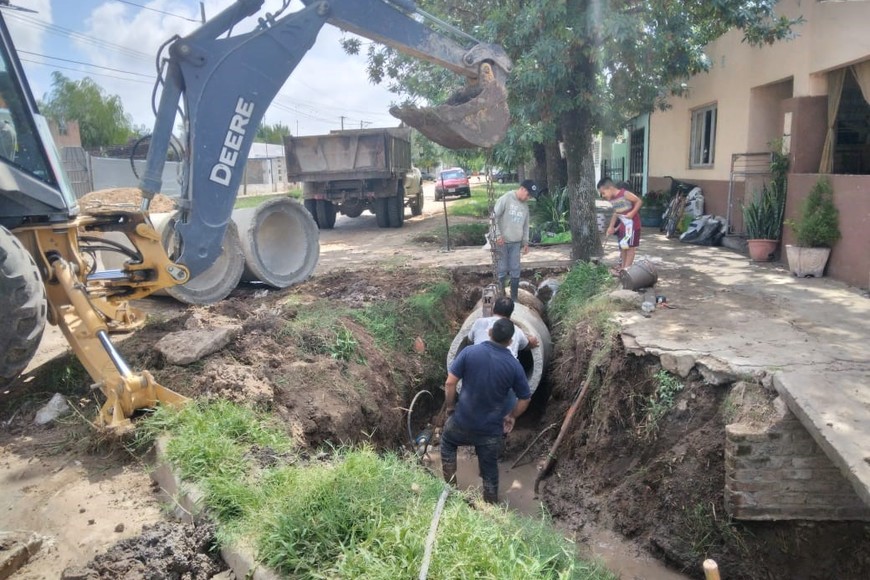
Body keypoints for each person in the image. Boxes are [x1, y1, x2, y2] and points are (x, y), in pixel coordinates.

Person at [440, 318, 531, 504]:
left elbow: (450, 383)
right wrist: (511, 416)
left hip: (461, 421)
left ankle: (450, 489)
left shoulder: (469, 352)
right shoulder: (514, 366)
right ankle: (490, 506)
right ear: (511, 341)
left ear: (490, 333)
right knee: (489, 470)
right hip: (490, 431)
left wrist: (450, 407)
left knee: (447, 442)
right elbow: (525, 398)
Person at [493, 179, 538, 300]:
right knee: (501, 269)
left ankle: (514, 298)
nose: (528, 198)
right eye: (528, 194)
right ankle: (501, 296)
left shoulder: (525, 207)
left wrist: (525, 242)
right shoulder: (506, 198)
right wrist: (497, 235)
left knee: (515, 270)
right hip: (502, 242)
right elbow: (493, 217)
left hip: (516, 243)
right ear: (522, 189)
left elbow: (526, 225)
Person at [598, 177, 642, 273]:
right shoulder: (612, 200)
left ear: (610, 188)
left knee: (630, 249)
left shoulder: (625, 194)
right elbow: (616, 213)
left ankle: (627, 270)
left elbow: (639, 201)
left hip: (632, 226)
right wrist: (611, 227)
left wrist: (632, 213)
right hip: (623, 226)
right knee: (624, 247)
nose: (603, 196)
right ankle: (623, 269)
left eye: (603, 193)